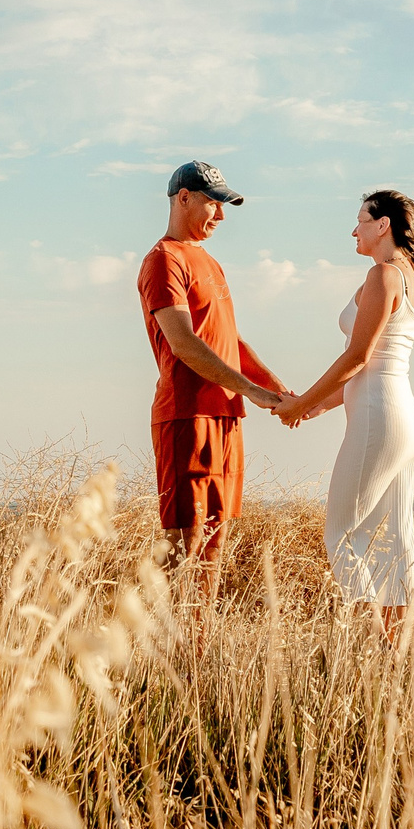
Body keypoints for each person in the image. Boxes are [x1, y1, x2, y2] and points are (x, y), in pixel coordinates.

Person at [279, 189, 414, 639]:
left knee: (341, 537)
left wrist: (303, 401)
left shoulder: (383, 275)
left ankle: (373, 652)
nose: (354, 230)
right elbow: (375, 364)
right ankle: (397, 658)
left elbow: (359, 358)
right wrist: (314, 408)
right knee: (396, 543)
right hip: (402, 416)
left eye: (361, 221)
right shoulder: (412, 279)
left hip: (377, 416)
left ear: (383, 224)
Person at [138, 160, 294, 568]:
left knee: (214, 544)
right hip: (187, 416)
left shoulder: (209, 262)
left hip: (226, 416)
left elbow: (231, 341)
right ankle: (172, 633)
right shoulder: (163, 259)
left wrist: (279, 392)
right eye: (214, 204)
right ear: (184, 198)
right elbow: (185, 344)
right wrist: (254, 392)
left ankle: (201, 635)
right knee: (184, 546)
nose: (222, 215)